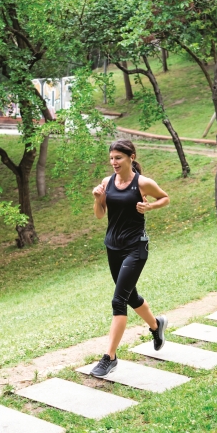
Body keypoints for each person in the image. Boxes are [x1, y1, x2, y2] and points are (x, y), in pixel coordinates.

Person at [90, 140, 171, 377]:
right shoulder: (107, 182)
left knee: (119, 300)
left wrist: (150, 207)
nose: (114, 162)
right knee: (130, 296)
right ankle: (156, 325)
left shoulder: (142, 183)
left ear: (131, 157)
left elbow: (165, 198)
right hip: (112, 247)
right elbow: (99, 215)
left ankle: (110, 357)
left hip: (136, 247)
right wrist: (97, 198)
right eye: (111, 158)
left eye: (118, 158)